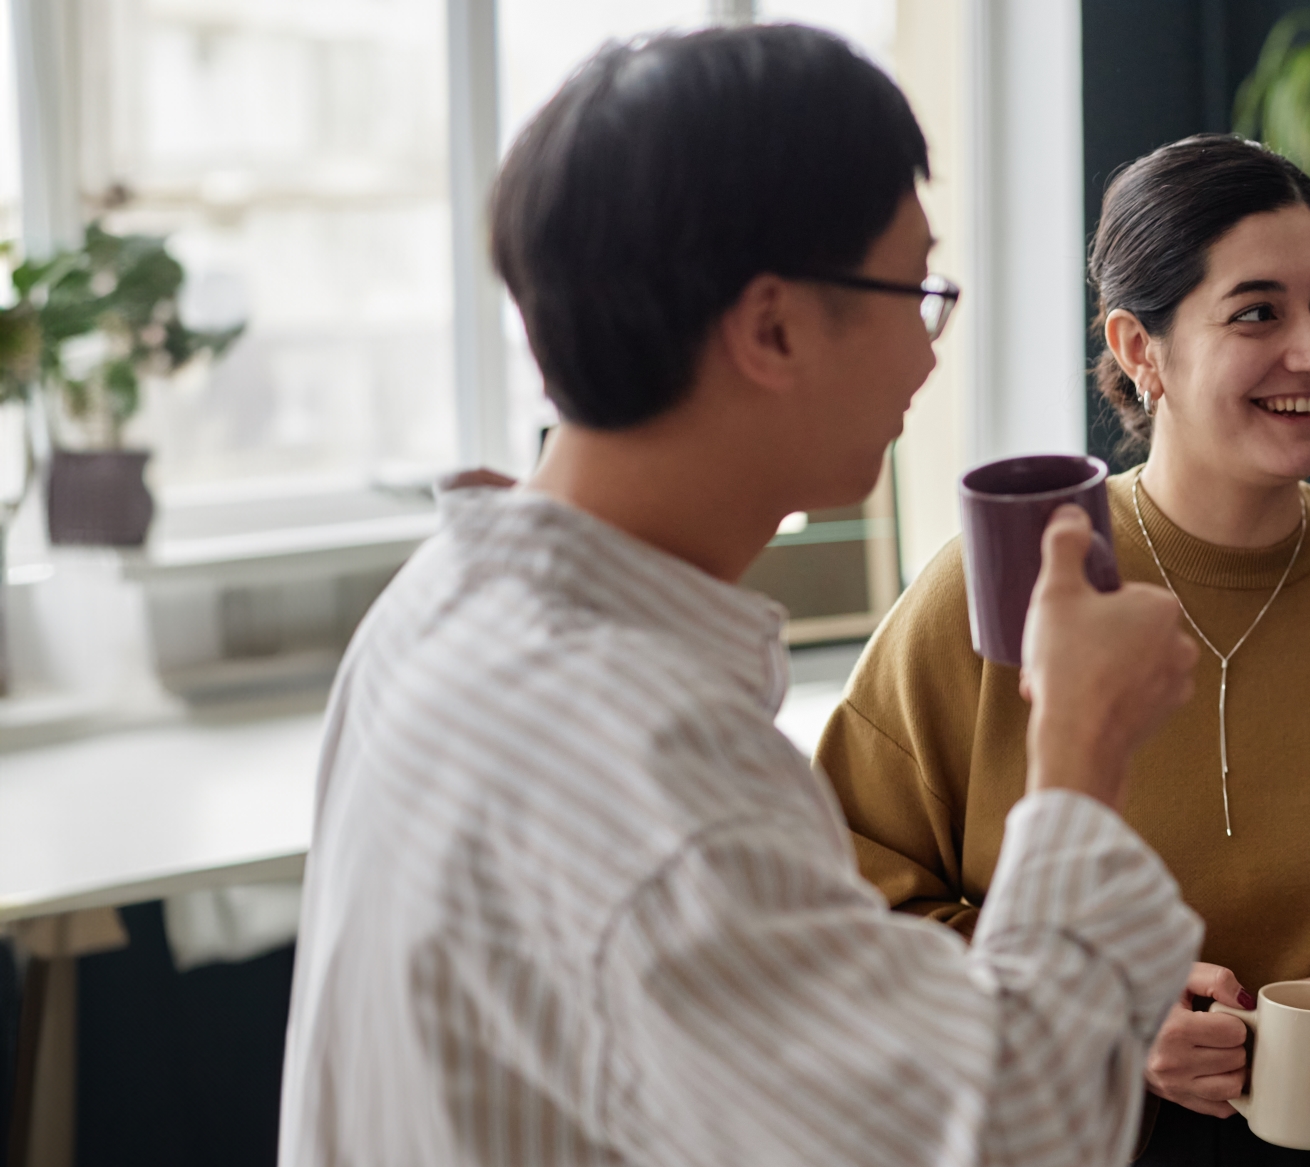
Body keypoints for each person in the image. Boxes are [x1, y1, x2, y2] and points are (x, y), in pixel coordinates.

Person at [278, 26, 1211, 1166]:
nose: (927, 359)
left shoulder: (439, 602)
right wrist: (1078, 754)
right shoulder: (653, 768)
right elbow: (1001, 1134)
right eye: (916, 290)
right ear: (771, 327)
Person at [816, 133, 1310, 1165]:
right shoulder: (1004, 589)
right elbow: (852, 897)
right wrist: (1096, 1011)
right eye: (1257, 314)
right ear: (1140, 349)